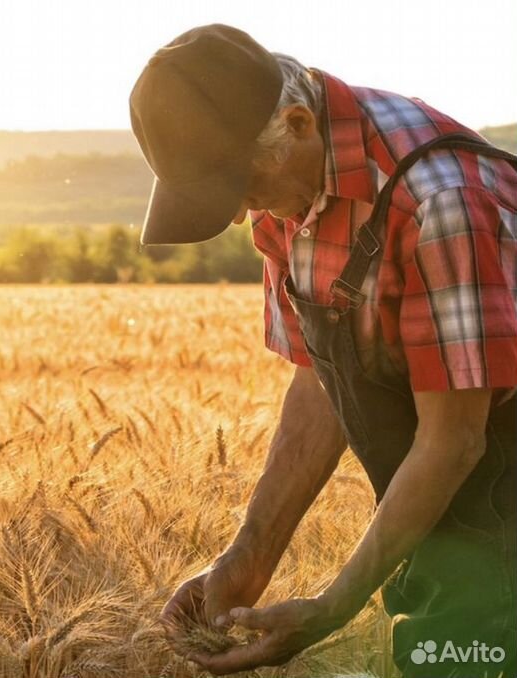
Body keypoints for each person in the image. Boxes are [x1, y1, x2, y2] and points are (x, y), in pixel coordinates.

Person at [128, 23, 517, 678]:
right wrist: (246, 558)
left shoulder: (440, 203)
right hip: (454, 511)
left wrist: (332, 608)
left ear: (301, 124)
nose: (234, 217)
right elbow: (322, 382)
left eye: (239, 189)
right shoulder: (293, 190)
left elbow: (455, 441)